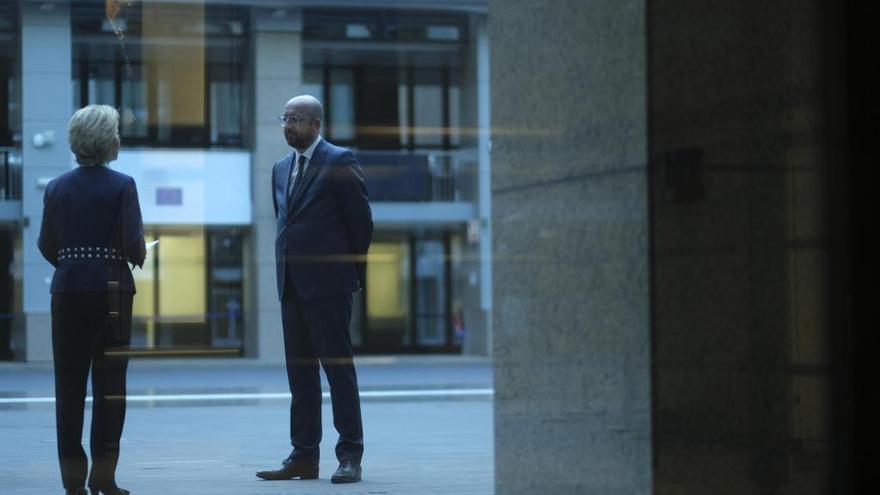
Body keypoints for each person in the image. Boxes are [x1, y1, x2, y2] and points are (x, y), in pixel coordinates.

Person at [256, 95, 373, 484]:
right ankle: (304, 455)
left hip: (330, 285)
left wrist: (351, 273)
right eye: (285, 118)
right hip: (291, 283)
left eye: (297, 119)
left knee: (338, 372)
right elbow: (285, 223)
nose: (288, 125)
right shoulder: (279, 168)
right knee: (300, 375)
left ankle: (350, 456)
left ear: (316, 125)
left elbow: (361, 224)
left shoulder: (340, 161)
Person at [38, 105, 146, 495]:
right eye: (116, 132)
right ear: (107, 140)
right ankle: (104, 477)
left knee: (68, 388)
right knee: (110, 388)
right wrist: (140, 254)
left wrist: (74, 267)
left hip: (66, 293)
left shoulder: (56, 187)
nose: (120, 138)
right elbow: (133, 246)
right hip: (114, 293)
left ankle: (72, 482)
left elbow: (46, 244)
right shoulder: (123, 185)